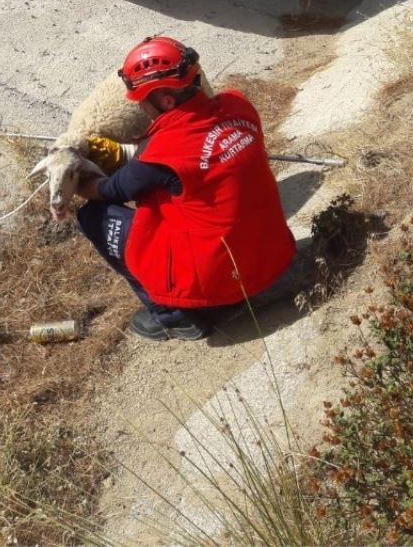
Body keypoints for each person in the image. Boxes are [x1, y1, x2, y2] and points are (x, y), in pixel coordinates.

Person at [73, 36, 296, 341]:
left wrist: (75, 178)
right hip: (272, 260)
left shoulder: (161, 153)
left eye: (142, 102)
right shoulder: (238, 105)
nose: (141, 109)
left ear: (165, 101)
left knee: (93, 216)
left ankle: (171, 315)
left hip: (225, 282)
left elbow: (109, 190)